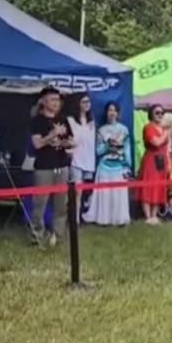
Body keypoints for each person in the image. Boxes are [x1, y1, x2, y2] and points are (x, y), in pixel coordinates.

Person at [30, 87, 74, 245]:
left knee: (61, 204)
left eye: (58, 100)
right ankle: (37, 235)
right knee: (40, 203)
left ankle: (58, 236)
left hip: (61, 165)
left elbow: (70, 140)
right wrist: (52, 135)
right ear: (43, 101)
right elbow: (37, 144)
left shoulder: (63, 119)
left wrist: (66, 143)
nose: (56, 103)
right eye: (52, 100)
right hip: (44, 167)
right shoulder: (37, 121)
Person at [83, 102, 131, 226]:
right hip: (104, 166)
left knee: (118, 194)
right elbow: (98, 151)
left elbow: (127, 149)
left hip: (119, 166)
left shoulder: (124, 130)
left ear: (118, 113)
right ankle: (104, 219)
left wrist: (128, 165)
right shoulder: (101, 130)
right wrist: (107, 145)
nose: (112, 113)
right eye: (110, 110)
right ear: (106, 113)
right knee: (105, 193)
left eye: (114, 110)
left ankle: (119, 219)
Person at [138, 104, 170, 225]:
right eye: (157, 112)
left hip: (162, 161)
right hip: (151, 160)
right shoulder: (148, 127)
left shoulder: (163, 129)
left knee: (159, 186)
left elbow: (166, 147)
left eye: (162, 113)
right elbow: (156, 143)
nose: (160, 115)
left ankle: (154, 215)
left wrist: (168, 162)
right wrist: (166, 132)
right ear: (151, 114)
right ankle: (147, 216)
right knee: (148, 186)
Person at [66, 94, 96, 219]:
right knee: (77, 190)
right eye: (84, 102)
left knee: (85, 190)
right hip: (75, 159)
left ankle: (81, 215)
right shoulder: (70, 120)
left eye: (88, 101)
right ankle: (75, 218)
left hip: (89, 160)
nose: (87, 104)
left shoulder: (92, 122)